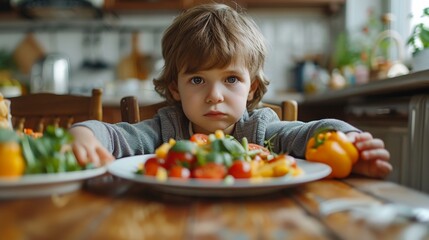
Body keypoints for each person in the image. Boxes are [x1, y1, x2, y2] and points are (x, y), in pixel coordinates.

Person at [70, 3, 392, 178]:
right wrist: (84, 134)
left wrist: (349, 142)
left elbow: (311, 133)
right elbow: (113, 137)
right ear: (175, 87)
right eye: (197, 80)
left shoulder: (261, 129)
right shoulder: (164, 130)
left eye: (231, 80)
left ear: (251, 87)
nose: (215, 95)